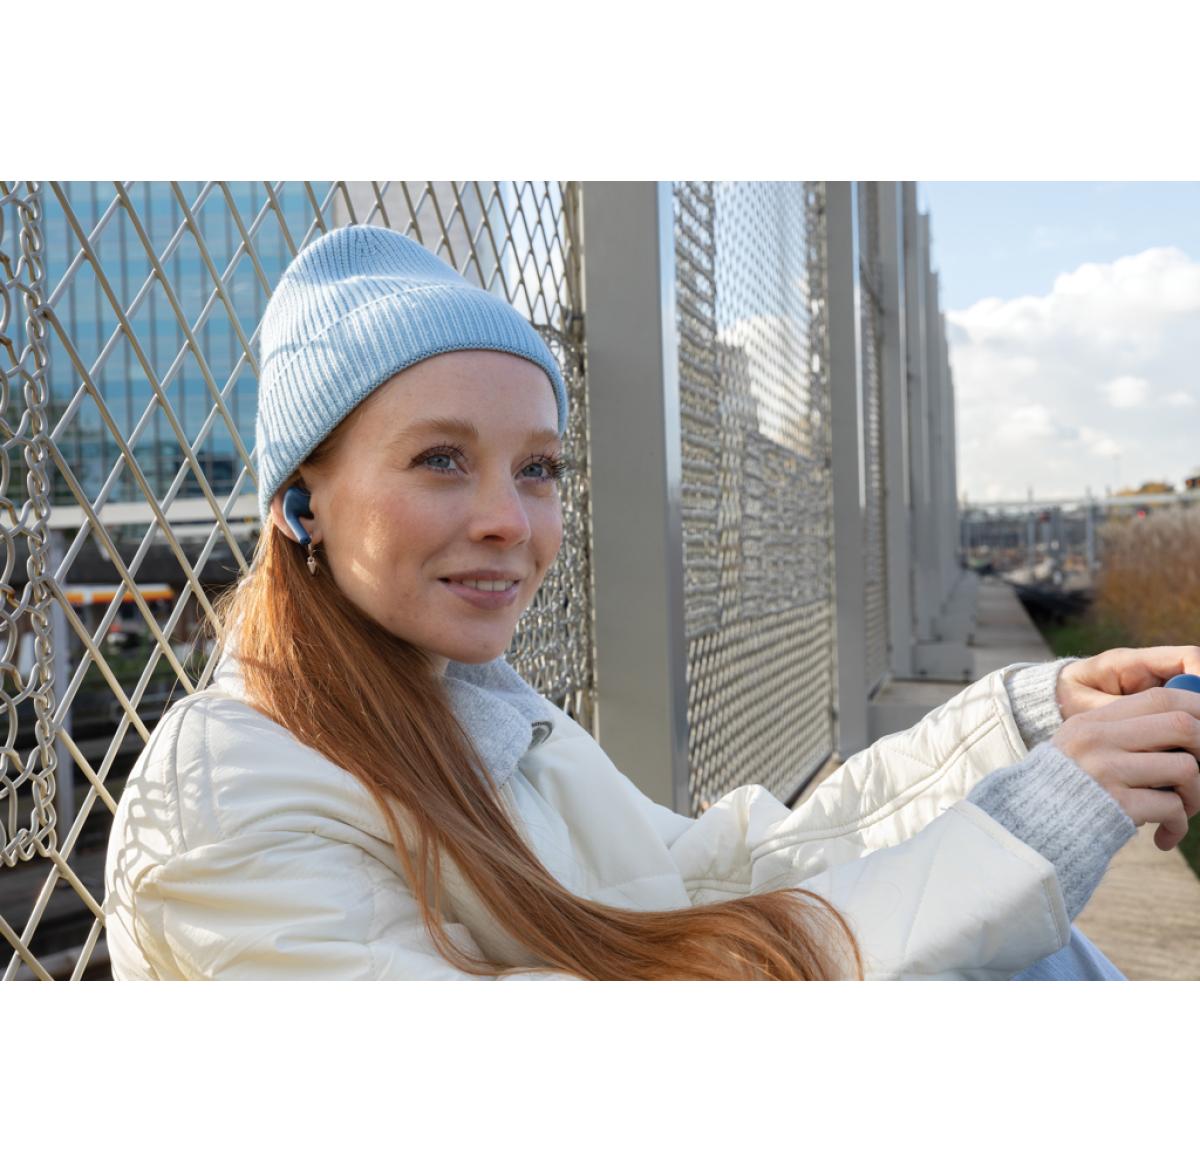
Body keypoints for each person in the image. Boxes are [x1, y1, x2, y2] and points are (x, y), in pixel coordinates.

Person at [102, 225, 1200, 980]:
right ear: (301, 503)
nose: (510, 520)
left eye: (539, 469)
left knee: (1025, 957)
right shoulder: (227, 795)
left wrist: (1025, 733)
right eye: (441, 459)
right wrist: (1014, 842)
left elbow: (714, 879)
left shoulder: (486, 719)